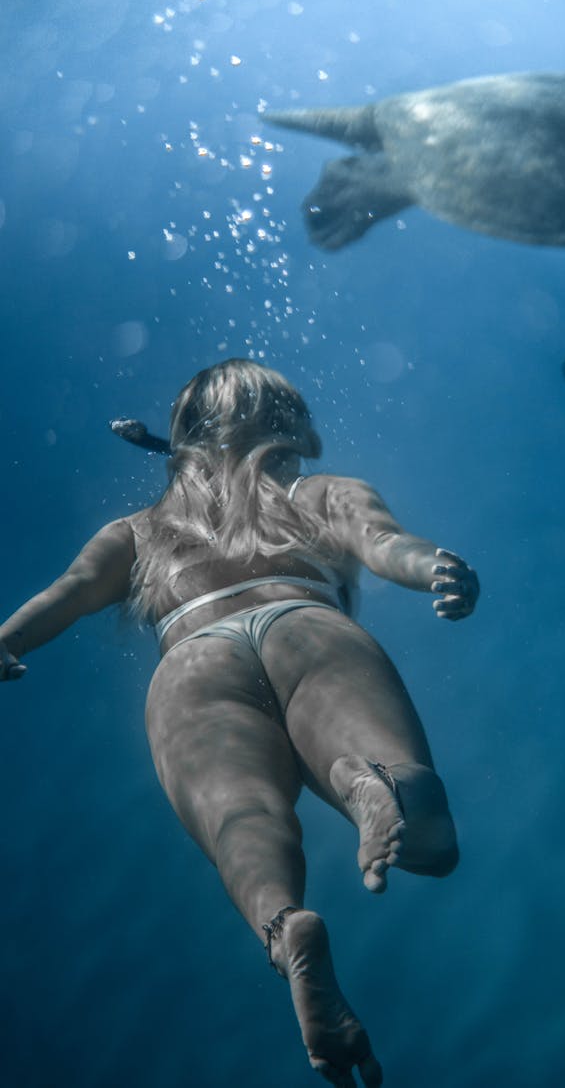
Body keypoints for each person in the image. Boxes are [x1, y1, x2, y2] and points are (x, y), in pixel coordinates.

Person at [0, 359, 479, 1087]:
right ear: (295, 428)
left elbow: (65, 596)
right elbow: (386, 545)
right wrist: (438, 566)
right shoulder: (319, 493)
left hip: (190, 658)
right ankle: (363, 779)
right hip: (303, 620)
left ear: (185, 440)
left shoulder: (138, 531)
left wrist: (4, 642)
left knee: (242, 822)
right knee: (432, 844)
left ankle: (287, 928)